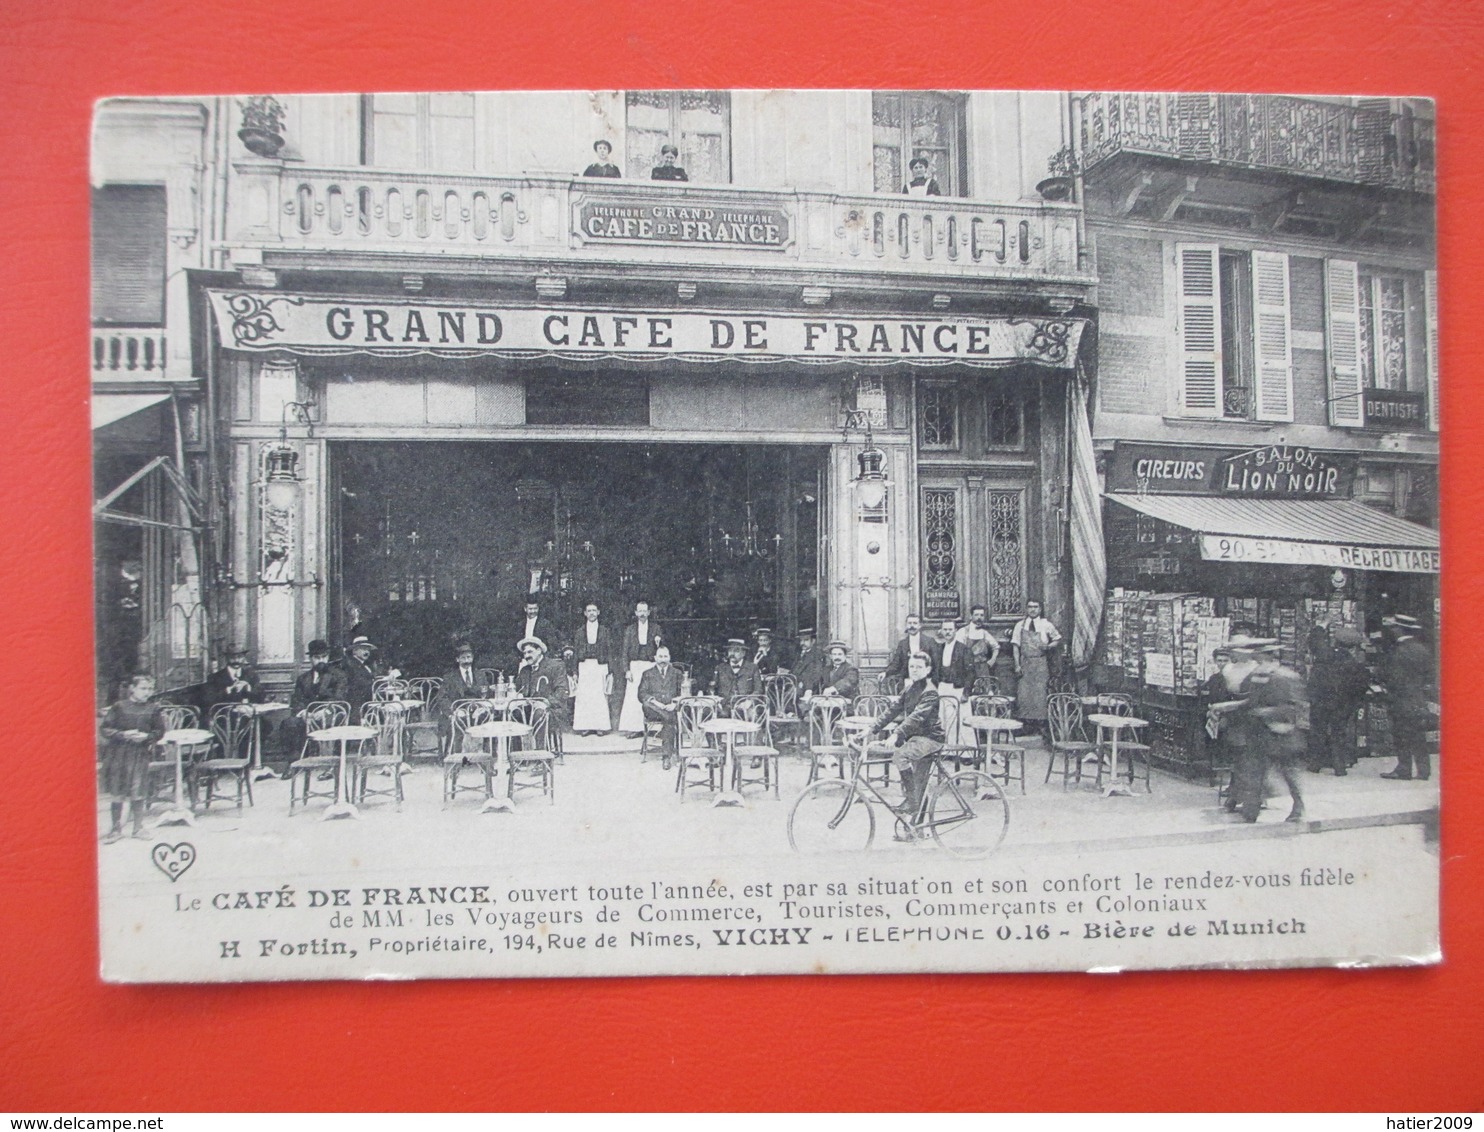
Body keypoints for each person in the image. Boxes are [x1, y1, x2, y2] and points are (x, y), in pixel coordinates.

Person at [866, 652, 944, 840]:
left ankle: (911, 802)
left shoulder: (930, 691)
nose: (914, 670)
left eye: (918, 667)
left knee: (900, 756)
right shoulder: (910, 688)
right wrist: (871, 729)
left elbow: (916, 717)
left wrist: (896, 734)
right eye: (911, 667)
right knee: (919, 784)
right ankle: (914, 829)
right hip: (916, 739)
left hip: (930, 739)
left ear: (928, 670)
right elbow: (893, 710)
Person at [1241, 642, 1309, 822]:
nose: (1256, 658)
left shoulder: (1285, 677)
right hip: (1259, 732)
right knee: (1256, 771)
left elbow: (1292, 707)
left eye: (1260, 655)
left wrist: (1264, 712)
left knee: (1287, 772)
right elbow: (1250, 701)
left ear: (1269, 656)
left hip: (1281, 733)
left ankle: (1298, 806)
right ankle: (1251, 809)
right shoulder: (1257, 676)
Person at [99, 672, 166, 842]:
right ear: (132, 689)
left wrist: (147, 737)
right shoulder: (119, 707)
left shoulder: (154, 709)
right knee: (118, 791)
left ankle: (138, 828)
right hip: (118, 755)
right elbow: (105, 729)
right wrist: (123, 734)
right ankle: (116, 829)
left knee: (138, 790)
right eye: (143, 688)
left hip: (140, 754)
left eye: (150, 688)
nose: (147, 692)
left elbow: (159, 732)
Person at [1379, 614, 1438, 781]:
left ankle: (1404, 769)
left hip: (1401, 699)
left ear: (1398, 629)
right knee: (1419, 736)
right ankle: (1424, 770)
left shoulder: (1398, 651)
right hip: (1418, 699)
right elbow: (1430, 675)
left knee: (1401, 735)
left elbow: (1393, 678)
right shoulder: (1422, 649)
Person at [1306, 625, 1371, 776]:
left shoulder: (1324, 654)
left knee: (1317, 731)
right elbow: (1361, 686)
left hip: (1321, 701)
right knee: (1339, 733)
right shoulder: (1353, 663)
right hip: (1342, 703)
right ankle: (1339, 765)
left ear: (1336, 640)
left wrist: (1321, 626)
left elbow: (1314, 641)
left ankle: (1315, 763)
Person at [284, 639, 350, 758]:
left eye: (324, 657)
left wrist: (325, 711)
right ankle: (295, 763)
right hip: (308, 716)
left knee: (330, 722)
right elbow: (297, 699)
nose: (321, 660)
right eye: (317, 657)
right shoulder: (303, 678)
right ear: (310, 659)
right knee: (290, 723)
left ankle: (329, 763)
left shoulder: (339, 675)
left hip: (330, 713)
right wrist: (303, 713)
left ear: (328, 657)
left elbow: (340, 697)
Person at [1011, 601, 1063, 736]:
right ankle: (1027, 725)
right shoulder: (1020, 625)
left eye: (1035, 607)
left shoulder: (1046, 624)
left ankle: (1041, 725)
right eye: (1030, 607)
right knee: (1024, 695)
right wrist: (1017, 665)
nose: (1032, 610)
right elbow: (1016, 646)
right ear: (1026, 609)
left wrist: (1049, 646)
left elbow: (1057, 639)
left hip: (1040, 663)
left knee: (1040, 694)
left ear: (1040, 609)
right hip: (1025, 662)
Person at [617, 601, 664, 735]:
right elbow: (625, 651)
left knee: (652, 695)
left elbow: (662, 649)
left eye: (645, 611)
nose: (642, 614)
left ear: (649, 612)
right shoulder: (630, 629)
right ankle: (634, 728)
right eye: (640, 611)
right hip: (635, 666)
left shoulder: (656, 628)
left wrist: (658, 643)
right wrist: (626, 670)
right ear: (636, 613)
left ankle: (653, 729)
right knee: (633, 697)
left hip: (650, 665)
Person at [570, 601, 615, 735]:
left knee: (600, 696)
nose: (591, 613)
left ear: (598, 612)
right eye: (589, 611)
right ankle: (585, 726)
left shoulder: (605, 631)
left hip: (600, 665)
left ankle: (600, 726)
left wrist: (610, 670)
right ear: (585, 613)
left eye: (594, 610)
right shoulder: (579, 632)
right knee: (584, 696)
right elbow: (576, 652)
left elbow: (609, 651)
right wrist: (574, 671)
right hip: (584, 665)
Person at [514, 637, 572, 732]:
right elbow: (518, 690)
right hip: (528, 710)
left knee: (539, 714)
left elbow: (562, 691)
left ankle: (540, 747)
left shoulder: (555, 666)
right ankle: (518, 746)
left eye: (530, 652)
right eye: (524, 653)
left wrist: (546, 702)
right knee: (514, 714)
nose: (526, 656)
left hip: (552, 710)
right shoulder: (524, 671)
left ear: (539, 650)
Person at [638, 645, 685, 758]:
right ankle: (667, 716)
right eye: (660, 656)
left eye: (665, 656)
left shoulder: (677, 673)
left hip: (671, 708)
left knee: (668, 720)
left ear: (669, 658)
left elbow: (683, 693)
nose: (663, 659)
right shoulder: (647, 673)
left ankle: (666, 757)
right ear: (655, 658)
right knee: (647, 704)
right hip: (653, 709)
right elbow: (641, 694)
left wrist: (674, 704)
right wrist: (656, 703)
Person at [338, 635, 396, 716]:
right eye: (363, 649)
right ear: (354, 651)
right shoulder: (351, 665)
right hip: (357, 703)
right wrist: (381, 681)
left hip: (367, 701)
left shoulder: (366, 665)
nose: (367, 652)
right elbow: (360, 682)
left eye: (368, 649)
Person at [203, 646, 264, 711]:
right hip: (225, 717)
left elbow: (261, 697)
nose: (236, 660)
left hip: (249, 717)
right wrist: (229, 689)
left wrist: (249, 688)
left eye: (239, 657)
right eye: (232, 658)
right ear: (226, 658)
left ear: (244, 658)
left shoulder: (251, 676)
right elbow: (209, 699)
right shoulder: (215, 677)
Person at [884, 613, 938, 686]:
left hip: (926, 681)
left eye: (915, 623)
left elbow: (936, 664)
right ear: (906, 625)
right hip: (907, 680)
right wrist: (885, 672)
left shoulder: (929, 641)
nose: (912, 626)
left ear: (920, 625)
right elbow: (896, 663)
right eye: (909, 623)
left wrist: (932, 681)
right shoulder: (902, 644)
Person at [962, 605, 1000, 691]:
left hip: (982, 668)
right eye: (976, 615)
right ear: (971, 616)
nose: (979, 618)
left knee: (984, 693)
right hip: (967, 668)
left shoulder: (984, 633)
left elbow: (996, 647)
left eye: (981, 615)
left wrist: (993, 659)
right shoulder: (963, 632)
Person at [713, 638, 761, 706]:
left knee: (750, 715)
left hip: (745, 706)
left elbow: (758, 689)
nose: (732, 653)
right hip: (724, 706)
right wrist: (717, 701)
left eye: (736, 651)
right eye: (730, 650)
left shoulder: (752, 668)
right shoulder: (720, 668)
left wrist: (749, 701)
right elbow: (713, 688)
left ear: (743, 653)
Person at [934, 619, 972, 698]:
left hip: (958, 688)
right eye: (945, 629)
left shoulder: (964, 649)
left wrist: (966, 693)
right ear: (941, 631)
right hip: (941, 687)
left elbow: (970, 673)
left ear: (955, 630)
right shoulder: (939, 648)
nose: (948, 632)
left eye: (950, 629)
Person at [787, 627, 829, 694]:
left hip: (808, 688)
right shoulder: (799, 654)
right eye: (801, 640)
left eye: (806, 640)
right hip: (794, 684)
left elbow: (816, 675)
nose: (802, 643)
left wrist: (806, 686)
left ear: (813, 641)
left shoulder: (817, 655)